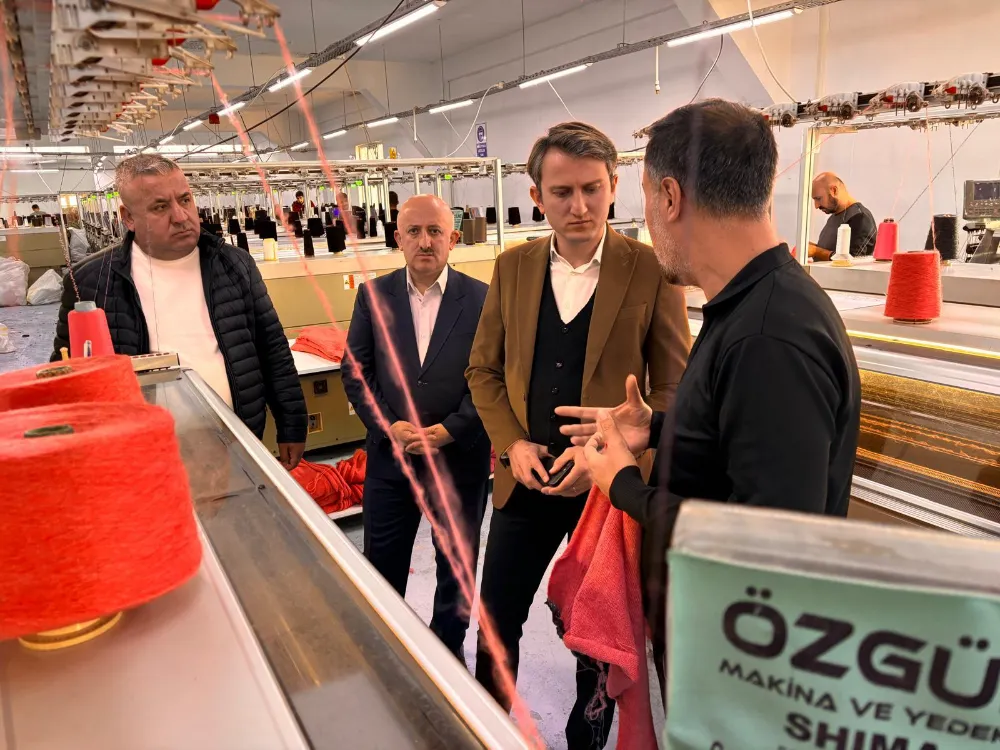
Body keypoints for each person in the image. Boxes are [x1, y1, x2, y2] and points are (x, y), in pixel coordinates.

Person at [558, 99, 863, 695]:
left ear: (670, 198)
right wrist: (660, 428)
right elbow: (741, 449)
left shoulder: (768, 336)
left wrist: (624, 486)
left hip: (746, 665)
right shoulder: (750, 306)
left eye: (646, 202)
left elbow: (764, 544)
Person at [466, 121, 690, 749]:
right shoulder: (511, 268)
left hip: (607, 496)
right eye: (562, 192)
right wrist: (512, 444)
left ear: (615, 185)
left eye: (593, 189)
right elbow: (482, 370)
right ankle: (486, 730)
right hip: (525, 481)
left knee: (595, 638)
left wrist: (617, 448)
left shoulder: (650, 270)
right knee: (495, 624)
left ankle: (583, 741)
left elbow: (675, 389)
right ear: (536, 196)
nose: (580, 206)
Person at [51, 154, 307, 470]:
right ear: (128, 217)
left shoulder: (234, 264)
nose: (181, 216)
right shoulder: (90, 282)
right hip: (140, 455)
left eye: (185, 199)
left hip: (235, 441)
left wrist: (292, 423)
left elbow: (273, 349)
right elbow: (67, 374)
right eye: (160, 207)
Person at [342, 194, 491, 659]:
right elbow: (356, 371)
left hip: (459, 459)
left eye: (435, 231)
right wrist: (389, 425)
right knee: (383, 565)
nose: (425, 242)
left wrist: (454, 428)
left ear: (453, 238)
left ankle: (448, 653)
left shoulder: (483, 298)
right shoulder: (373, 296)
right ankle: (390, 652)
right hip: (393, 462)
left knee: (457, 570)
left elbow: (494, 376)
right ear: (398, 238)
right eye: (414, 231)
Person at [808, 172, 877, 260]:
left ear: (834, 190)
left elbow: (852, 261)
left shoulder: (860, 217)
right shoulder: (834, 217)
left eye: (818, 198)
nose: (816, 206)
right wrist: (813, 248)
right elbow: (832, 251)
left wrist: (816, 251)